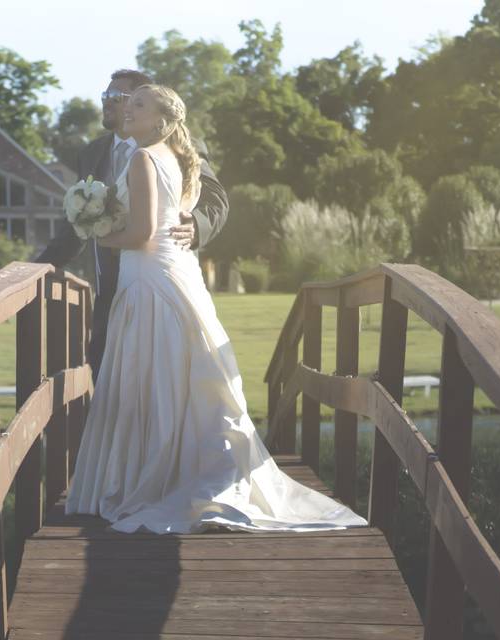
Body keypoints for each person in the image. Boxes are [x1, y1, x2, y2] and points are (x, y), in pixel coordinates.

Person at [64, 84, 369, 534]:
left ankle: (150, 476)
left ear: (160, 119)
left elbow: (145, 233)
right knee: (180, 376)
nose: (127, 109)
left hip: (149, 279)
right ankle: (179, 469)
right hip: (172, 274)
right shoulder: (175, 157)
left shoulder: (145, 158)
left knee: (152, 375)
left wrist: (98, 235)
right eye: (127, 103)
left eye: (138, 105)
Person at [34, 69, 229, 382]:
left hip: (157, 277)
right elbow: (79, 225)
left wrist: (196, 224)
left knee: (169, 370)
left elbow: (216, 200)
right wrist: (36, 267)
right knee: (108, 377)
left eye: (117, 97)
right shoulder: (92, 153)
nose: (108, 103)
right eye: (105, 97)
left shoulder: (180, 144)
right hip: (110, 288)